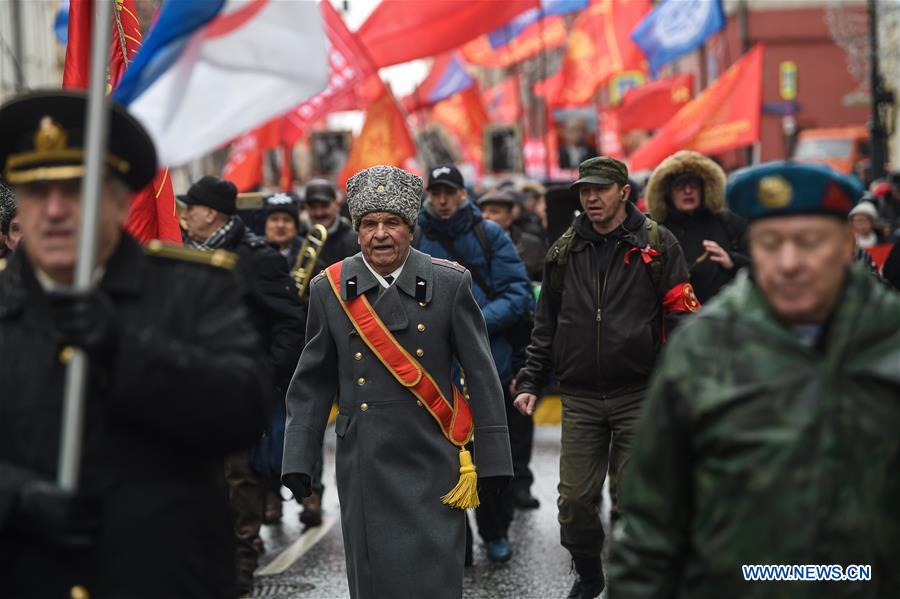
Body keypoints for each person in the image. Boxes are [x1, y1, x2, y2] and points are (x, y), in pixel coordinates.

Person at [0, 90, 271, 598]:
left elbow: (242, 410)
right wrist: (17, 498)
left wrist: (124, 349)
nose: (54, 211)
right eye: (37, 193)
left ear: (121, 201)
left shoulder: (193, 291)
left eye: (75, 190)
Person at [608, 161, 900, 598]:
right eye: (770, 244)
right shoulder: (703, 350)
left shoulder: (890, 340)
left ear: (845, 243)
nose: (788, 263)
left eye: (808, 242)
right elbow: (652, 524)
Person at [282, 165, 513, 599]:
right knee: (374, 583)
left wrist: (496, 457)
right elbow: (311, 382)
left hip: (433, 456)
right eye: (370, 224)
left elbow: (481, 375)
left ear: (411, 229)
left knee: (435, 578)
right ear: (358, 230)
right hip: (364, 459)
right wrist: (298, 456)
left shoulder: (449, 282)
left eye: (392, 223)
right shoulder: (329, 288)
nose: (380, 234)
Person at [513, 156, 697, 599]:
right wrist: (531, 381)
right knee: (574, 501)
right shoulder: (564, 250)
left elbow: (682, 314)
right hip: (581, 396)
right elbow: (547, 324)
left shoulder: (658, 243)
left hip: (641, 393)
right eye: (584, 191)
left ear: (624, 192)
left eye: (600, 189)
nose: (591, 198)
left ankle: (641, 577)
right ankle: (589, 570)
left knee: (636, 497)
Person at [181, 175, 306, 595]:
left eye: (190, 209)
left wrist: (265, 375)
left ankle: (242, 554)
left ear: (211, 214)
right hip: (189, 386)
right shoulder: (179, 254)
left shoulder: (257, 258)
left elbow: (290, 320)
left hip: (237, 386)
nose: (183, 216)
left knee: (239, 475)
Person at [416, 164, 534, 562]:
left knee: (491, 458)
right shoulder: (413, 237)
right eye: (437, 192)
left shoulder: (490, 235)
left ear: (464, 194)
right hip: (431, 373)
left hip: (486, 367)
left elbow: (519, 295)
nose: (444, 200)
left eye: (450, 191)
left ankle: (495, 531)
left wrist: (474, 324)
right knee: (441, 462)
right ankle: (456, 543)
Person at [291, 178, 360, 527]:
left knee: (353, 419)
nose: (319, 211)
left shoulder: (351, 239)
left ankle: (357, 490)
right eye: (312, 205)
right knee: (312, 416)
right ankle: (311, 493)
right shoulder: (297, 240)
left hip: (351, 337)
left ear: (336, 204)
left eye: (324, 204)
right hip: (313, 337)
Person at [645, 151, 749, 303]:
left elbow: (761, 267)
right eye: (680, 185)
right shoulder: (655, 231)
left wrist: (733, 261)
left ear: (704, 188)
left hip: (725, 319)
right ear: (667, 192)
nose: (688, 191)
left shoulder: (728, 222)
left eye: (694, 184)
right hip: (675, 322)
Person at [478, 189, 546, 283]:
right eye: (483, 211)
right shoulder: (471, 243)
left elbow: (542, 281)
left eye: (494, 212)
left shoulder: (531, 245)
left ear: (509, 218)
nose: (485, 216)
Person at [264, 191, 303, 265]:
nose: (280, 225)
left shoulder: (309, 253)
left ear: (296, 226)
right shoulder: (252, 253)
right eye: (274, 219)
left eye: (287, 220)